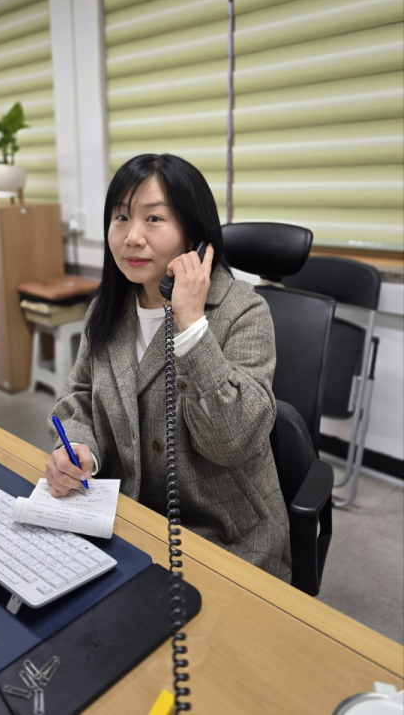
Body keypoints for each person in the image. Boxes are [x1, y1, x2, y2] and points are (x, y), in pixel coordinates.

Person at [46, 154, 291, 582]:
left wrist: (193, 327)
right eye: (120, 217)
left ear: (194, 236)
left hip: (225, 538)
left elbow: (235, 440)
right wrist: (77, 451)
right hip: (128, 521)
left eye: (153, 219)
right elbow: (80, 397)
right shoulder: (107, 310)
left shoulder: (244, 311)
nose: (131, 237)